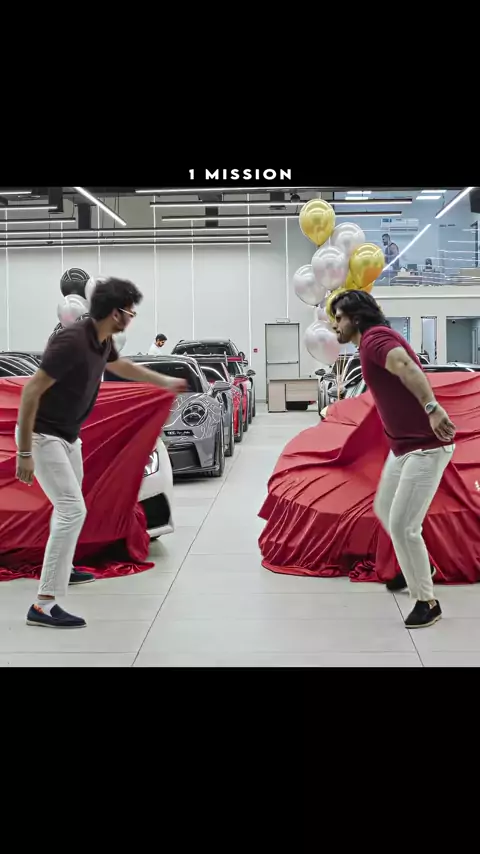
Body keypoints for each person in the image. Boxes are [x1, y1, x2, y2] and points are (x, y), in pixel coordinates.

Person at [15, 278, 187, 630]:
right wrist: (24, 452)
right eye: (130, 312)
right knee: (72, 509)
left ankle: (63, 567)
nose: (131, 318)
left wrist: (162, 382)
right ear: (114, 312)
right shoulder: (71, 341)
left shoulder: (102, 339)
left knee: (69, 506)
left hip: (68, 436)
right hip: (42, 436)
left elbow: (121, 367)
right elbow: (31, 392)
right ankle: (44, 604)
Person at [331, 290, 456, 629]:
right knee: (385, 509)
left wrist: (432, 407)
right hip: (402, 448)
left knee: (403, 525)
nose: (335, 326)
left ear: (356, 318)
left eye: (339, 318)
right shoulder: (368, 343)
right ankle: (420, 568)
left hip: (426, 447)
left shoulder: (375, 339)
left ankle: (427, 602)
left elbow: (405, 366)